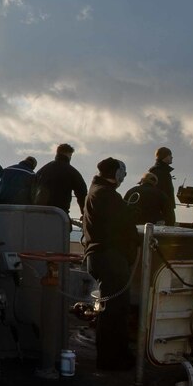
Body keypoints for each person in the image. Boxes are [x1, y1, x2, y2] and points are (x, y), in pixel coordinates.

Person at [82, 157, 139, 370]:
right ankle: (110, 360)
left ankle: (113, 357)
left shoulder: (96, 191)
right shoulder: (107, 195)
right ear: (116, 174)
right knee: (114, 312)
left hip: (98, 256)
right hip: (110, 258)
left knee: (112, 309)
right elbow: (123, 227)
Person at [34, 144, 88, 216]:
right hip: (59, 214)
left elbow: (32, 187)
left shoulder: (42, 170)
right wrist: (84, 213)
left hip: (38, 212)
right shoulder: (72, 172)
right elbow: (82, 193)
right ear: (69, 155)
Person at [149, 147, 177, 226]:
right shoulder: (159, 172)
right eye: (170, 155)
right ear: (164, 156)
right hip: (162, 212)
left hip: (165, 209)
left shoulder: (161, 171)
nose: (172, 157)